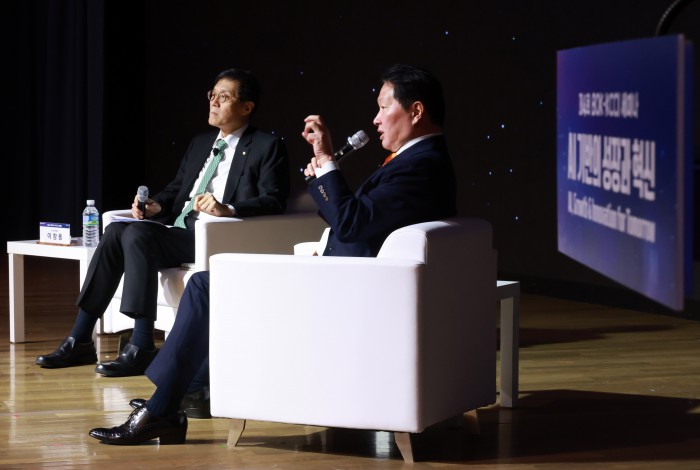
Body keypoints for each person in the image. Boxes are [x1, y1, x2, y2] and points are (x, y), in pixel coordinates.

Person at [88, 63, 457, 445]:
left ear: (415, 110)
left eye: (383, 107)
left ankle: (165, 407)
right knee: (205, 285)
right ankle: (177, 396)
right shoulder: (420, 161)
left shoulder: (420, 167)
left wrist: (328, 164)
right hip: (341, 279)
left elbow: (350, 224)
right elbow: (356, 221)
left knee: (204, 287)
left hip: (342, 291)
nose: (376, 119)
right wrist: (325, 170)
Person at [35, 68, 290, 378]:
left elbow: (274, 199)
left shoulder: (266, 145)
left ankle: (142, 345)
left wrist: (228, 208)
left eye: (223, 97)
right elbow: (177, 189)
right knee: (116, 231)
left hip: (215, 235)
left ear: (247, 107)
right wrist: (155, 206)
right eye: (212, 95)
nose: (213, 102)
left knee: (138, 235)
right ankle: (80, 339)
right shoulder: (201, 143)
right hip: (179, 230)